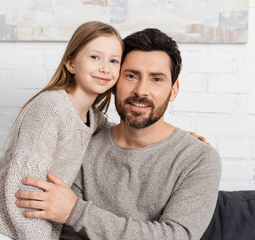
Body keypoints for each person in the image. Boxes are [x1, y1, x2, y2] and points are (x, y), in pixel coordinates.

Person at [14, 28, 222, 240]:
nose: (141, 90)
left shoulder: (198, 158)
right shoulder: (83, 142)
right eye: (131, 76)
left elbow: (176, 237)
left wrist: (75, 212)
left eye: (156, 79)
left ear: (174, 90)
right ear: (114, 83)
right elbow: (63, 230)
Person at [0, 21, 123, 240]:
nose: (105, 67)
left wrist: (184, 139)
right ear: (71, 64)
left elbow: (123, 135)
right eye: (95, 57)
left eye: (114, 60)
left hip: (29, 225)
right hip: (1, 225)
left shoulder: (92, 117)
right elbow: (22, 186)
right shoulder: (51, 108)